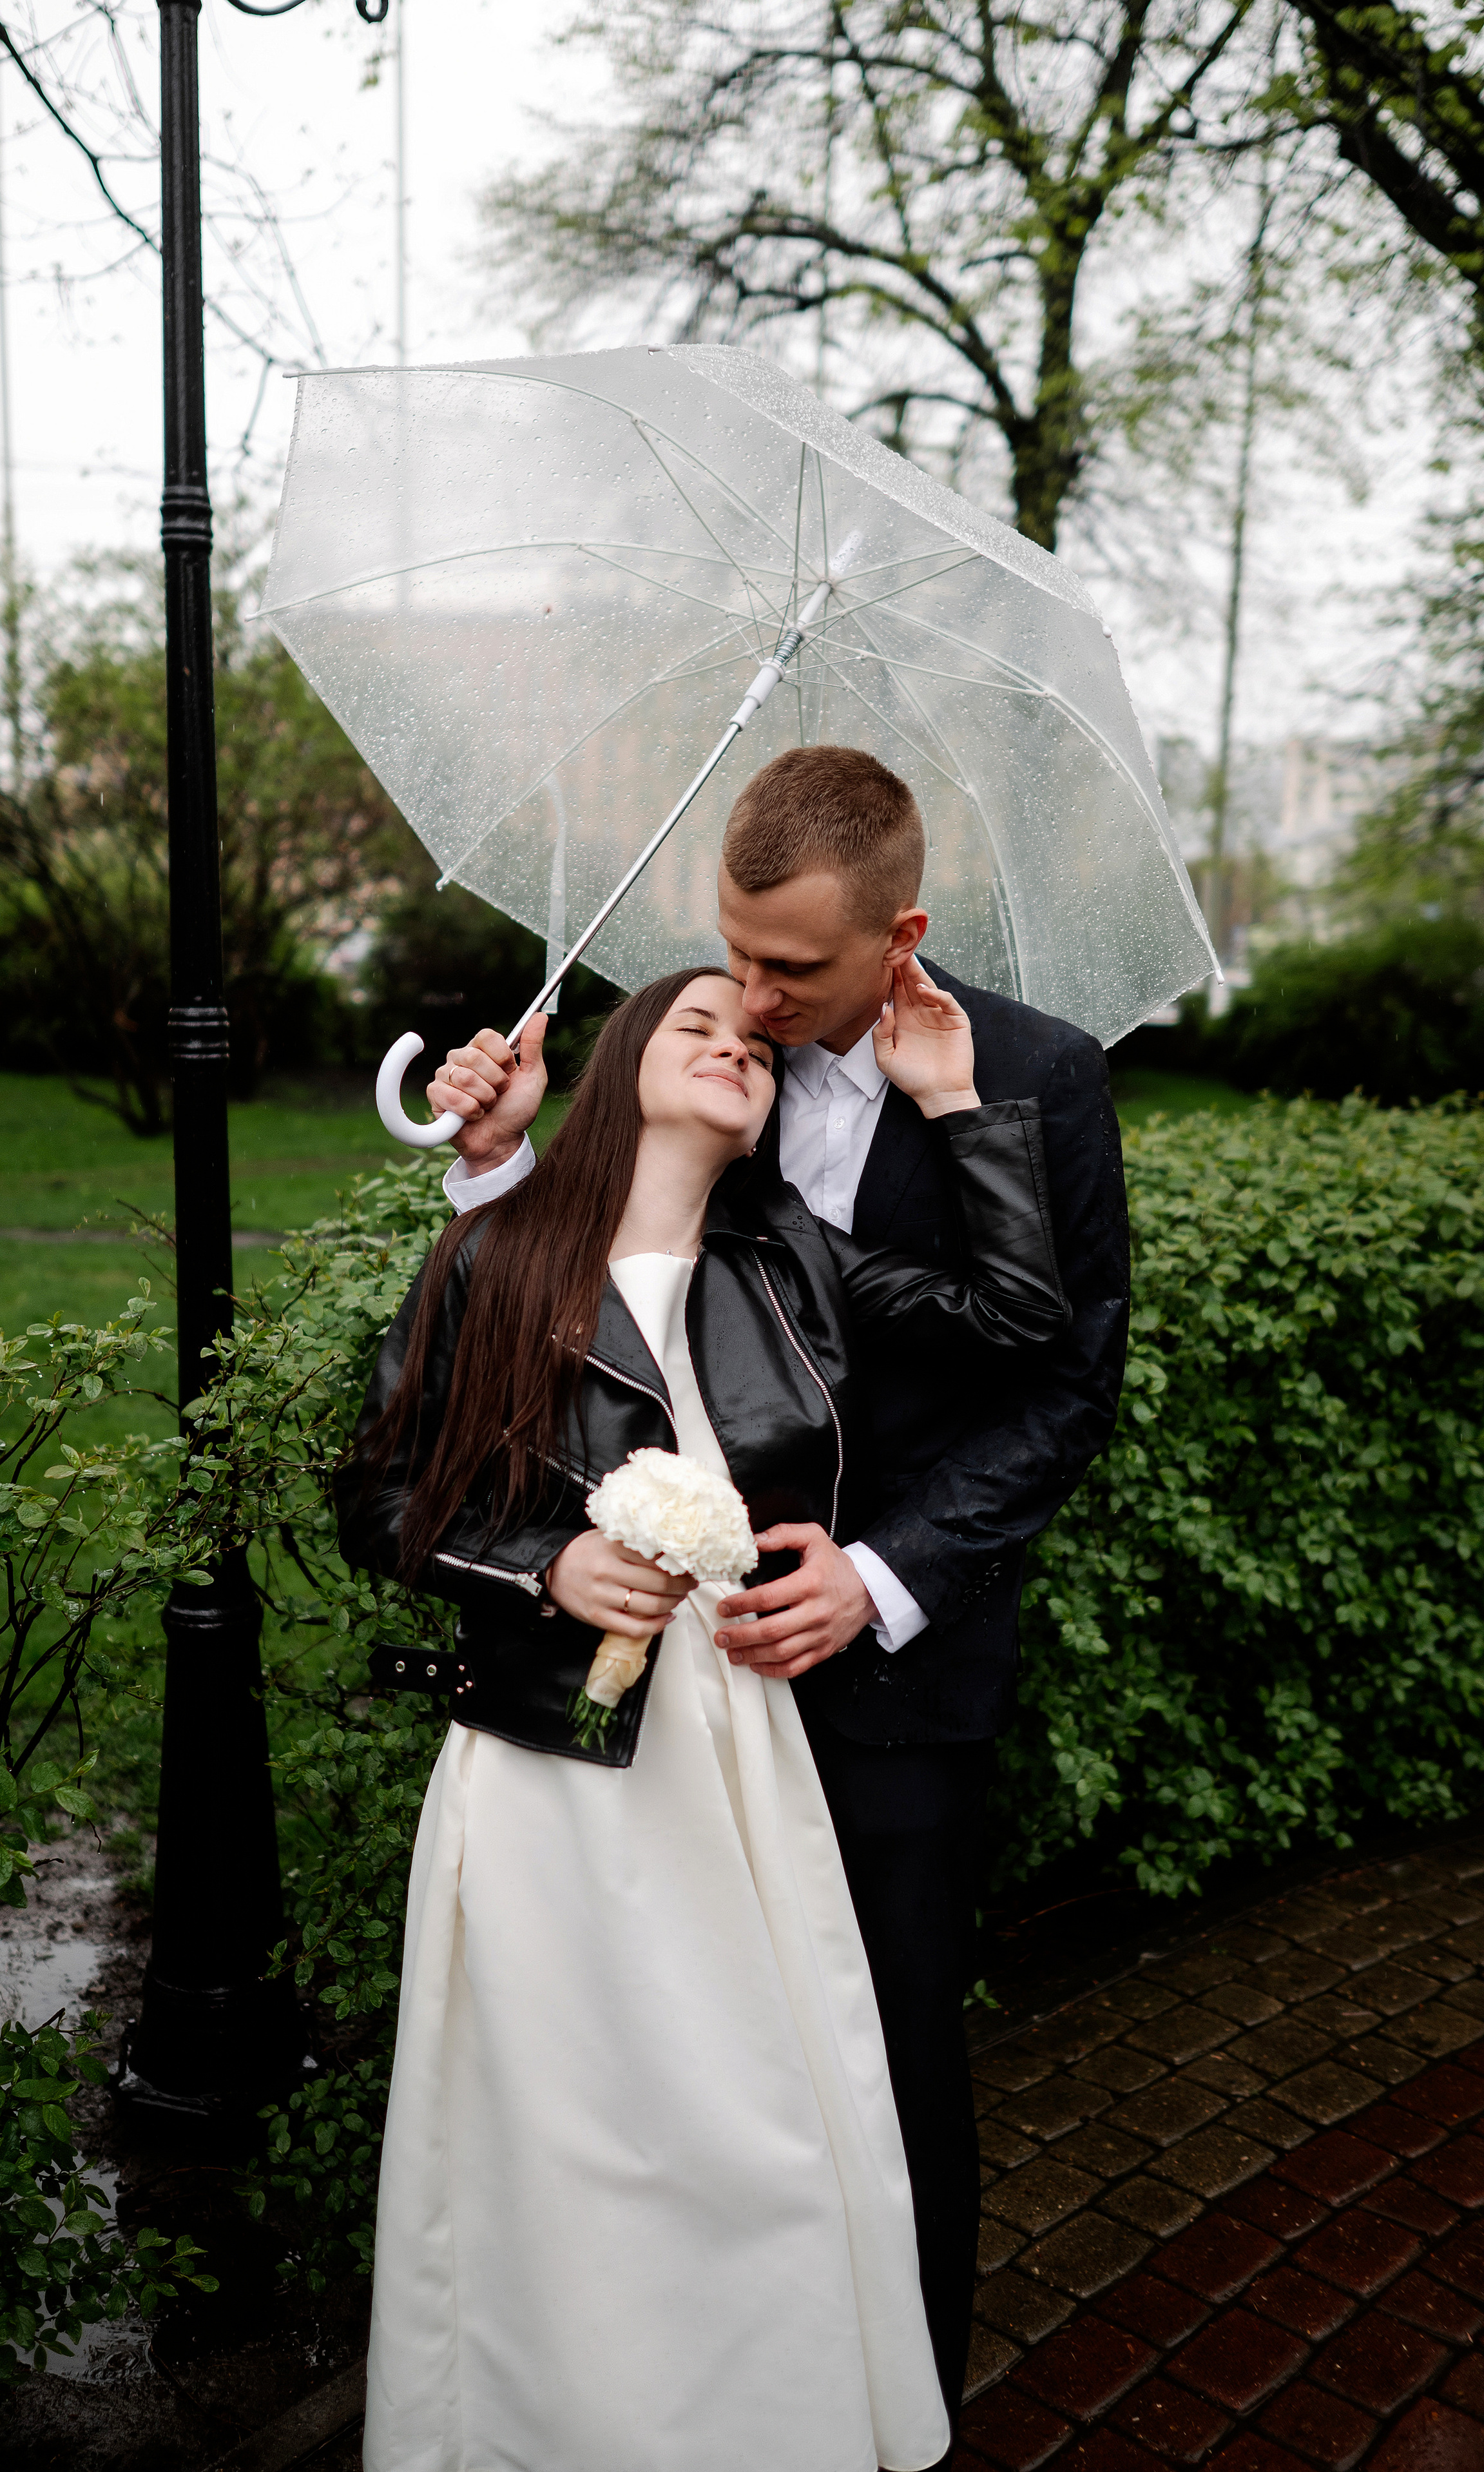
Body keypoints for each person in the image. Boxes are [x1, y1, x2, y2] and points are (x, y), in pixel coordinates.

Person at [423, 745, 1131, 2422]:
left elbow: (1060, 1380)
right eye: (731, 949)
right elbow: (603, 1282)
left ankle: (892, 2417)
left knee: (883, 2061)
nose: (748, 992)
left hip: (891, 1675)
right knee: (688, 2075)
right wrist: (500, 1164)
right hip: (669, 1679)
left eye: (792, 967)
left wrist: (884, 1577)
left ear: (905, 933)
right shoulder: (710, 1045)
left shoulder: (1039, 1074)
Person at [336, 960, 1069, 2472]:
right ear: (612, 1066)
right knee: (568, 2135)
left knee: (758, 2120)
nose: (733, 1047)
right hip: (552, 1776)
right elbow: (382, 1499)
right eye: (694, 1026)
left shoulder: (790, 1261)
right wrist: (549, 1565)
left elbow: (1012, 1327)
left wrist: (954, 1106)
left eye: (752, 1043)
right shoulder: (498, 1248)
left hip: (739, 1757)